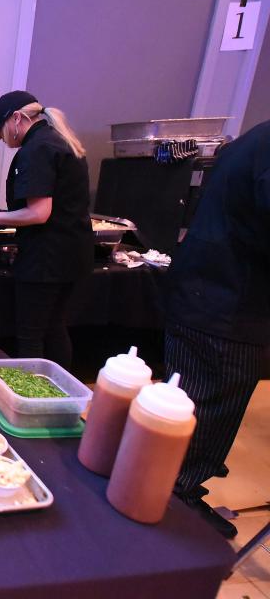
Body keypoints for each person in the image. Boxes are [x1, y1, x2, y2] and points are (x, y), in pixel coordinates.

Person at [164, 119, 270, 539]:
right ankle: (179, 498)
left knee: (185, 398)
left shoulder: (256, 139)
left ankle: (163, 483)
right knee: (211, 405)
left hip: (201, 290)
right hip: (230, 303)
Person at [0, 91, 93, 369]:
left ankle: (29, 402)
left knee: (31, 334)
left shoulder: (36, 149)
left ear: (16, 119)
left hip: (46, 260)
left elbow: (39, 213)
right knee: (54, 326)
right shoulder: (59, 141)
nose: (2, 139)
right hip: (72, 255)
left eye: (0, 132)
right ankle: (60, 395)